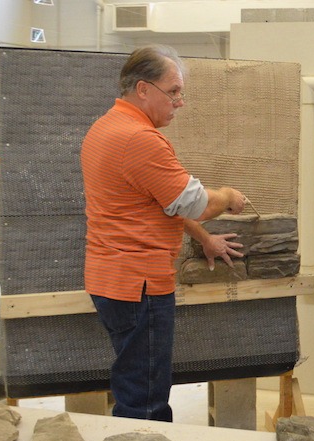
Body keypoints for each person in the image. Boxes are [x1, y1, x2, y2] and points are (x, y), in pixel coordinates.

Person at [81, 44, 247, 421]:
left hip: (112, 279)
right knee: (145, 398)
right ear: (143, 89)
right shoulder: (139, 139)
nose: (180, 102)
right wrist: (227, 196)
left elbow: (159, 202)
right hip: (138, 285)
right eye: (173, 92)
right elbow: (194, 203)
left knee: (137, 384)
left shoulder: (105, 127)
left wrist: (204, 238)